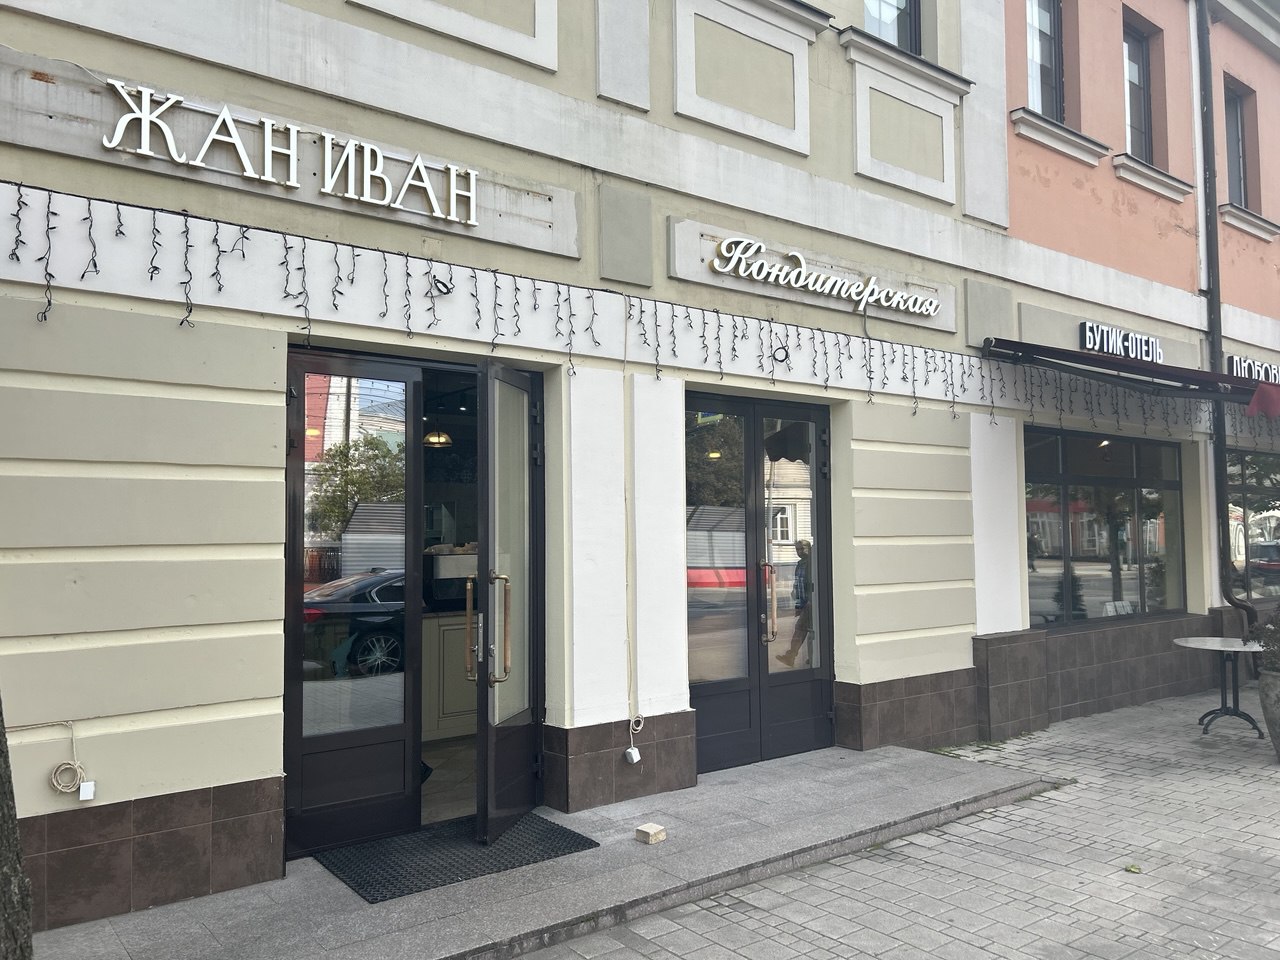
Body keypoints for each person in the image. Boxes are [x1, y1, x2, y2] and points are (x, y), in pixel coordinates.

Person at [776, 540, 813, 668]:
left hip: (811, 603)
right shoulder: (800, 564)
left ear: (809, 548)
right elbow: (798, 586)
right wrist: (798, 605)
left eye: (802, 548)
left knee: (801, 629)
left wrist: (809, 602)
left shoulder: (812, 563)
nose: (799, 552)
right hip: (805, 603)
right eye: (797, 549)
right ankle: (810, 657)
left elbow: (810, 585)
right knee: (807, 630)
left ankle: (791, 656)